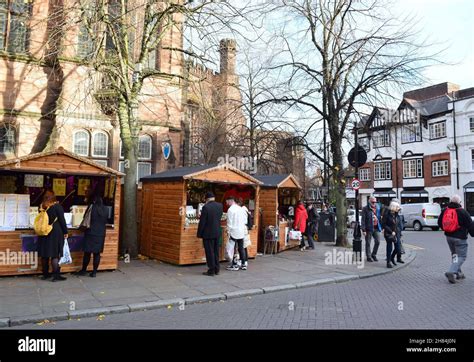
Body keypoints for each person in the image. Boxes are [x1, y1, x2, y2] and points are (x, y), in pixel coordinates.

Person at [437, 195, 472, 284]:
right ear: (459, 203)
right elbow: (470, 225)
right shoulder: (463, 212)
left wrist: (447, 230)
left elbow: (439, 222)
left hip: (449, 237)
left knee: (455, 254)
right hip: (460, 238)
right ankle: (451, 271)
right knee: (462, 256)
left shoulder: (445, 210)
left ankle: (458, 272)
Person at [38, 190, 69, 282]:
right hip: (55, 232)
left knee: (45, 254)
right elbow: (62, 221)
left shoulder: (42, 206)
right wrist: (65, 232)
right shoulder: (57, 207)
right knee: (54, 254)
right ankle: (56, 276)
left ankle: (45, 274)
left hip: (44, 231)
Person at [77, 189, 109, 278]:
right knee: (97, 253)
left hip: (90, 233)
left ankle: (84, 270)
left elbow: (85, 218)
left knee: (87, 252)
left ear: (94, 200)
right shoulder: (106, 209)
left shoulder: (91, 207)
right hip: (101, 234)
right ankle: (94, 272)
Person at [197, 192, 223, 276]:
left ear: (207, 199)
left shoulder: (206, 207)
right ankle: (217, 269)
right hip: (217, 232)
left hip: (208, 233)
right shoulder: (220, 206)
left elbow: (202, 222)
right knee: (216, 251)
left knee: (209, 252)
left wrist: (199, 233)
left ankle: (211, 270)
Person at [226, 196, 248, 271]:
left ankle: (234, 264)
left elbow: (229, 222)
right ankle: (243, 264)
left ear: (230, 201)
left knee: (233, 248)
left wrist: (228, 231)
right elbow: (245, 221)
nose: (226, 203)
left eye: (227, 202)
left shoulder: (230, 210)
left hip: (234, 231)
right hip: (241, 231)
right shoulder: (240, 209)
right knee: (241, 248)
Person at [361, 196, 382, 262]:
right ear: (369, 201)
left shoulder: (378, 207)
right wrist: (363, 230)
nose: (374, 203)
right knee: (368, 243)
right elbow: (363, 220)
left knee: (378, 242)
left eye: (375, 202)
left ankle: (374, 254)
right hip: (369, 228)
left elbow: (380, 217)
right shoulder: (365, 208)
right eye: (373, 202)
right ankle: (369, 256)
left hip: (376, 227)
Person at [382, 200, 401, 268]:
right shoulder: (387, 214)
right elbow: (383, 224)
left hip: (395, 233)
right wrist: (391, 231)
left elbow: (396, 224)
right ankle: (388, 262)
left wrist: (396, 231)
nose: (398, 208)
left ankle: (392, 257)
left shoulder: (396, 214)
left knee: (398, 248)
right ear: (393, 207)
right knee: (389, 247)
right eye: (397, 207)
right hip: (388, 233)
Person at [237, 197, 251, 270]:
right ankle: (245, 260)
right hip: (245, 229)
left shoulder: (241, 210)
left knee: (241, 246)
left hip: (242, 229)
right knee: (244, 246)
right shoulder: (245, 209)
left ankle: (243, 261)